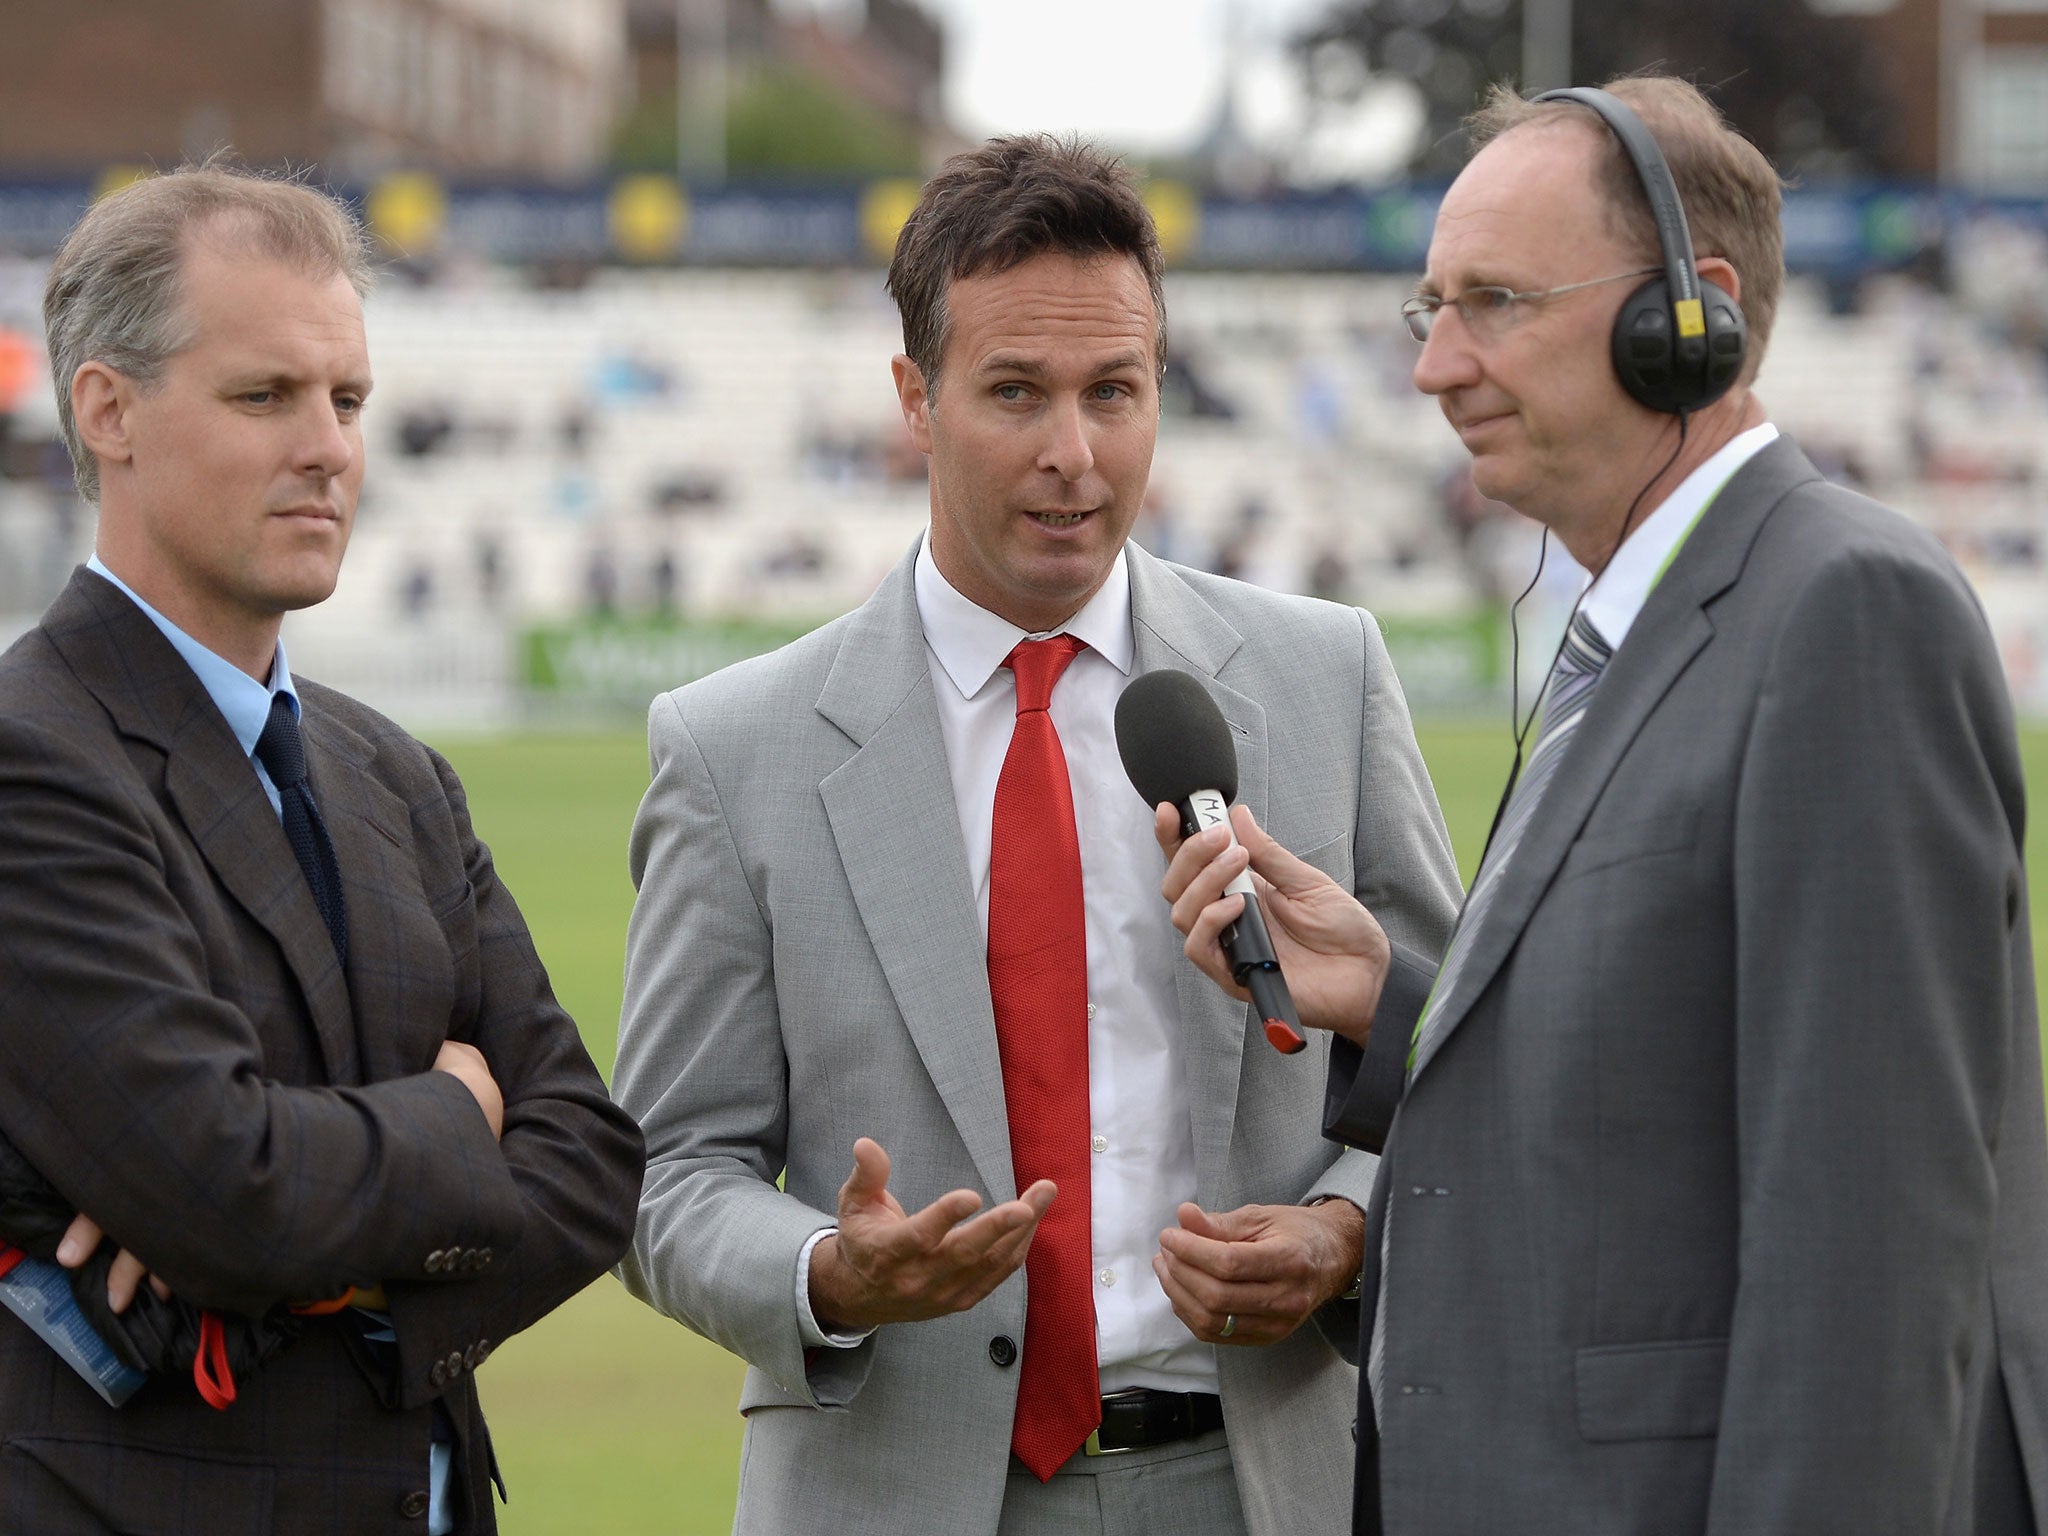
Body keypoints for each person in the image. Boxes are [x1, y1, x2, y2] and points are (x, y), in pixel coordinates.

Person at [1159, 78, 2048, 1535]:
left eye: (1495, 301)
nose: (1437, 366)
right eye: (1428, 308)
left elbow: (1870, 1255)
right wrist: (1401, 1005)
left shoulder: (1842, 610)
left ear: (1687, 318)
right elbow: (1665, 1084)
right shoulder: (1633, 627)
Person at [612, 136, 1462, 1536]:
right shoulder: (730, 747)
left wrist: (1344, 1234)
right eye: (1016, 392)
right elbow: (667, 1171)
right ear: (914, 400)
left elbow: (1462, 1067)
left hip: (1260, 1488)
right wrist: (827, 1268)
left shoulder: (1327, 679)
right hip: (899, 1492)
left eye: (1114, 393)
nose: (1075, 453)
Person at [0, 165, 645, 1534]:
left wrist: (322, 1275)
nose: (332, 447)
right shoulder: (29, 754)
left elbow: (590, 1161)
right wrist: (461, 1115)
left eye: (346, 400)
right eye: (265, 396)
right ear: (108, 411)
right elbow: (225, 1183)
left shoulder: (394, 772)